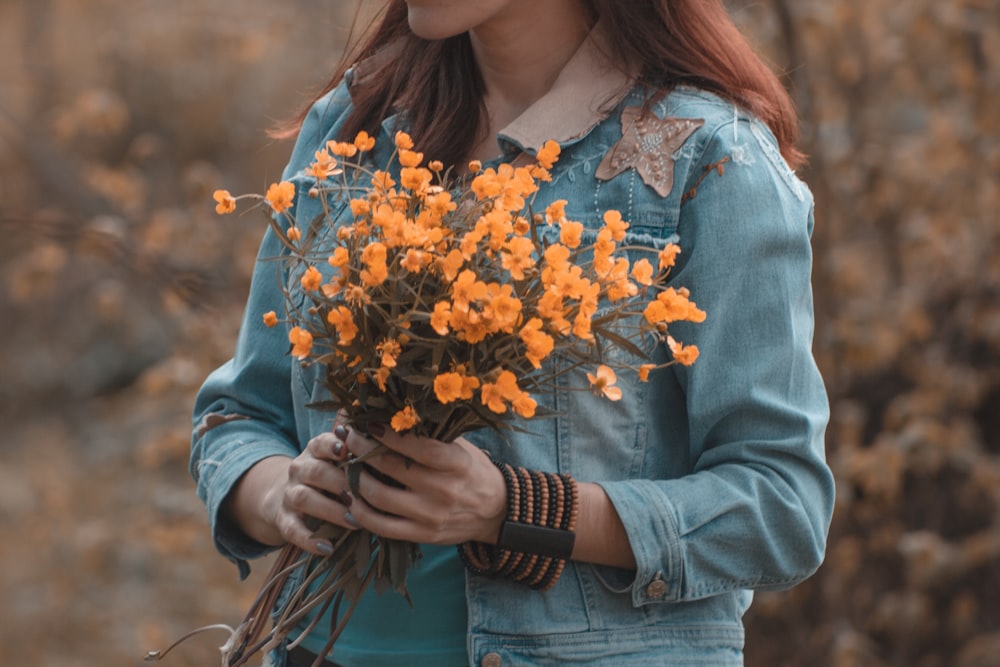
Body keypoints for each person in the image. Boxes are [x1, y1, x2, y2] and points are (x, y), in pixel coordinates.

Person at [191, 1, 835, 665]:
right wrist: (283, 493)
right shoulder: (355, 125)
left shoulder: (711, 158)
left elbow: (782, 505)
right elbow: (236, 416)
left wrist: (521, 509)